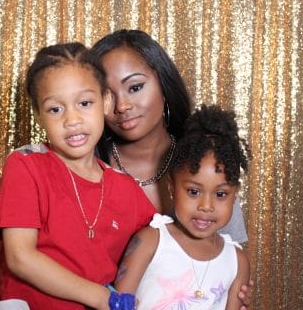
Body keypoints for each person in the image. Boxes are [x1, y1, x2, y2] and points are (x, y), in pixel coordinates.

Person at [89, 29, 253, 307]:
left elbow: (225, 272)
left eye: (135, 87)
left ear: (164, 86)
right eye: (106, 95)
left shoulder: (206, 162)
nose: (123, 106)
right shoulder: (86, 169)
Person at [0, 42, 154, 309]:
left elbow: (161, 240)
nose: (72, 120)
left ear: (106, 102)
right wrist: (103, 298)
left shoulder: (124, 187)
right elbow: (20, 257)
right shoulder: (26, 165)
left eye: (85, 103)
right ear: (38, 115)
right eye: (55, 109)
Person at [113, 104, 251, 310]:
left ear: (234, 195)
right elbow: (117, 304)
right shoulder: (151, 241)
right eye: (194, 191)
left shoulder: (237, 262)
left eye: (220, 194)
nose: (206, 206)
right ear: (171, 187)